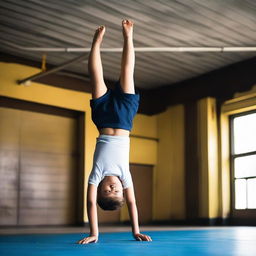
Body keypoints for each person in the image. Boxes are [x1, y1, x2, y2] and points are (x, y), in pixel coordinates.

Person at [77, 20, 152, 244]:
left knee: (95, 77)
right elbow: (132, 204)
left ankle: (96, 43)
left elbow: (90, 203)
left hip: (103, 118)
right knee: (128, 72)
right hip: (124, 118)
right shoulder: (124, 176)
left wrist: (94, 233)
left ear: (100, 189)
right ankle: (128, 36)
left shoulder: (96, 175)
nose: (113, 188)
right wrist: (135, 231)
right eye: (116, 192)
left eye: (107, 192)